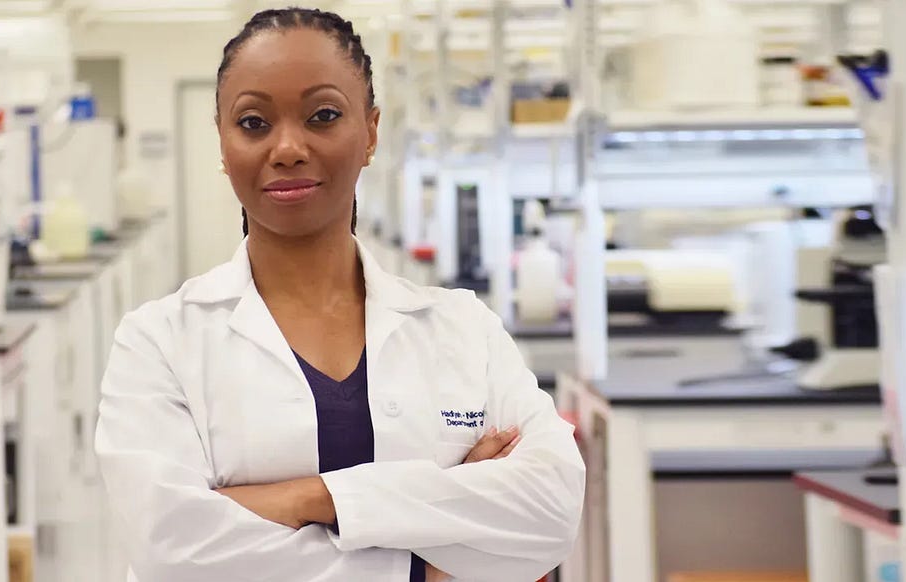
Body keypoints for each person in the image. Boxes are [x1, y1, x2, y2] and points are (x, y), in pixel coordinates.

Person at [95, 8, 586, 582]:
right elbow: (170, 549)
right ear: (224, 148)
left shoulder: (462, 326)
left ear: (371, 133)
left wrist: (308, 499)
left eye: (322, 115)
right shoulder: (158, 342)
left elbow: (551, 508)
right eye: (253, 123)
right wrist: (421, 566)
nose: (287, 148)